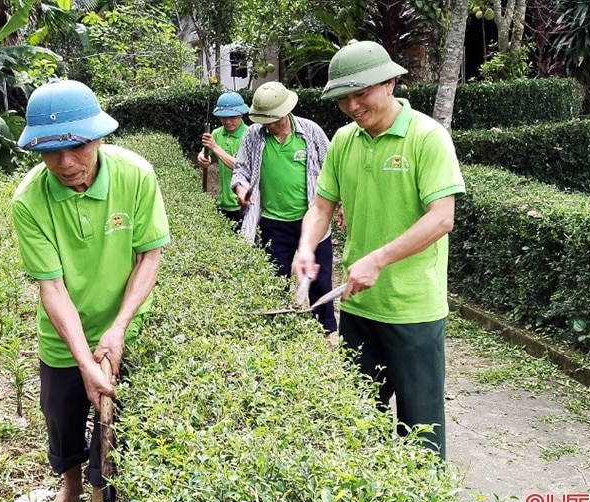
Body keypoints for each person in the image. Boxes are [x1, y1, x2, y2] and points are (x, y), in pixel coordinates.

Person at [11, 79, 170, 502]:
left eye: (77, 146)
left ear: (99, 137)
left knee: (112, 424)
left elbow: (149, 256)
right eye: (50, 150)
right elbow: (53, 288)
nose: (65, 162)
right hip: (64, 338)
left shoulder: (135, 174)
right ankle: (70, 488)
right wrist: (83, 360)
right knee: (61, 418)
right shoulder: (29, 200)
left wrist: (118, 329)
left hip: (124, 325)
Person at [292, 40, 466, 459]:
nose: (352, 105)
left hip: (413, 312)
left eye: (362, 92)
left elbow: (442, 217)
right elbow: (321, 205)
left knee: (420, 433)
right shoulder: (343, 141)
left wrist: (378, 258)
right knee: (356, 425)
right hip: (358, 310)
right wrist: (305, 248)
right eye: (343, 98)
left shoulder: (427, 137)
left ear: (390, 83)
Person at [230, 82, 336, 333]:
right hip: (272, 224)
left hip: (313, 222)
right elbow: (241, 169)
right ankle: (276, 335)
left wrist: (339, 203)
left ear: (286, 111)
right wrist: (241, 189)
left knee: (319, 281)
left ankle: (326, 332)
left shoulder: (311, 132)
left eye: (275, 120)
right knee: (273, 281)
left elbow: (333, 170)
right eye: (266, 121)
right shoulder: (253, 135)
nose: (270, 125)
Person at [196, 91, 250, 229]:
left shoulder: (249, 135)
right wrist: (202, 158)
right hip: (222, 203)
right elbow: (203, 155)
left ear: (241, 114)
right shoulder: (216, 133)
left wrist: (215, 147)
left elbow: (241, 168)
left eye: (232, 117)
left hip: (243, 204)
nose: (227, 121)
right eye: (223, 117)